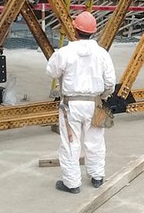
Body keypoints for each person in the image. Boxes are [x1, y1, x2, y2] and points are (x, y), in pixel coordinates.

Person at [45, 11, 115, 194]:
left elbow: (51, 71)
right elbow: (110, 82)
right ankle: (97, 177)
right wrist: (103, 97)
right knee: (95, 142)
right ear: (93, 32)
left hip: (71, 105)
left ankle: (71, 183)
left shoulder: (65, 53)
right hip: (94, 104)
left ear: (75, 30)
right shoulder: (102, 54)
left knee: (70, 143)